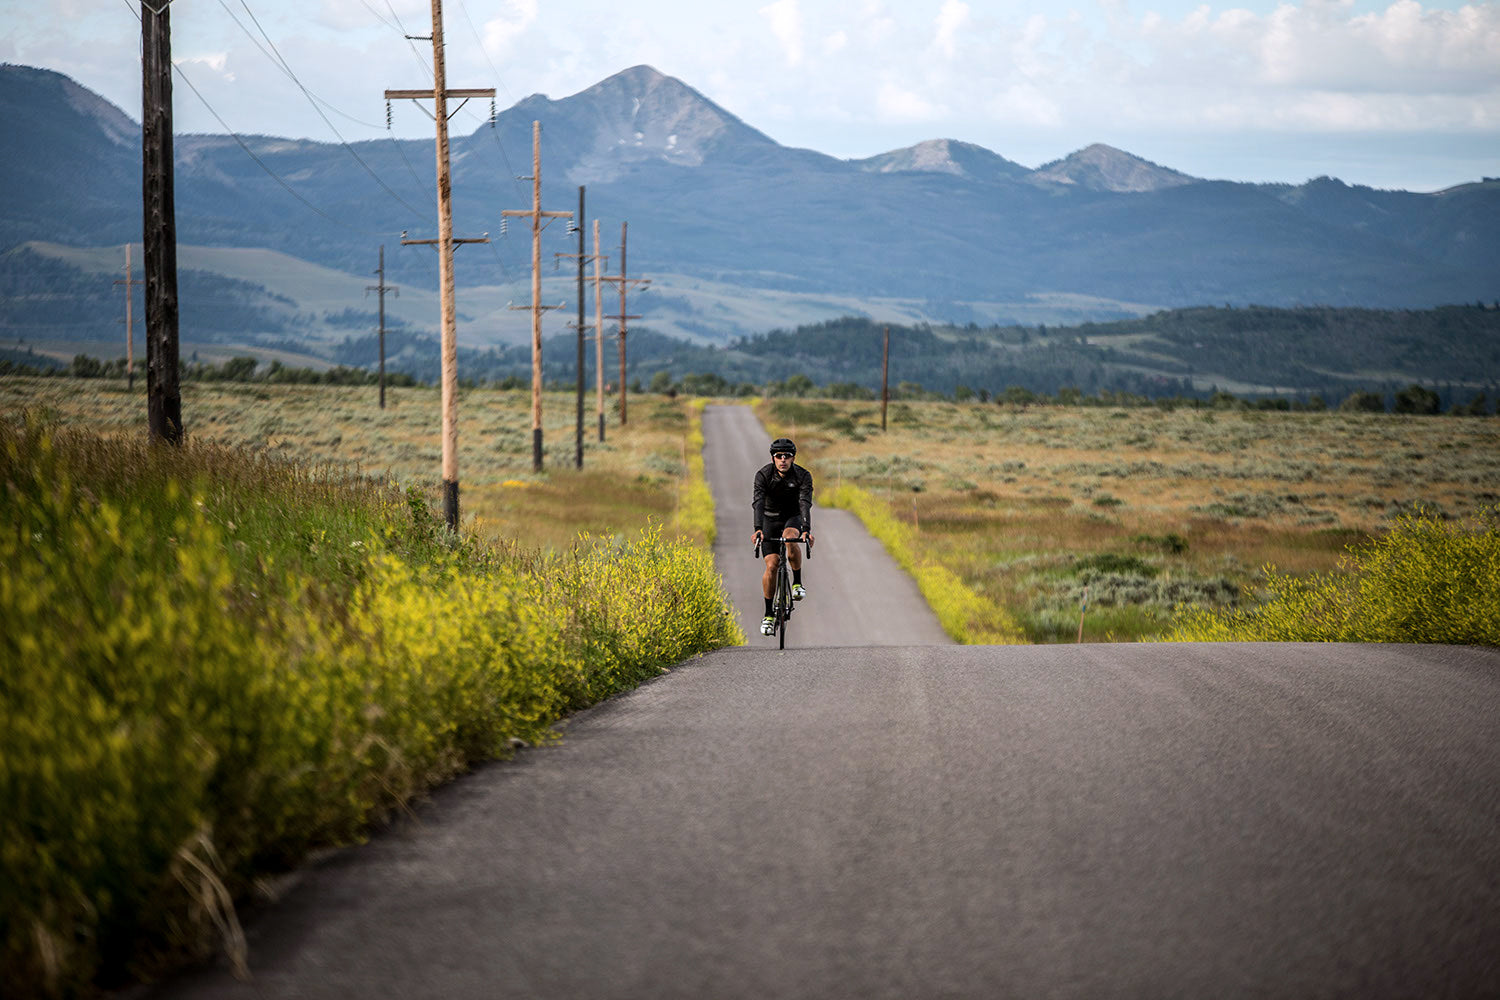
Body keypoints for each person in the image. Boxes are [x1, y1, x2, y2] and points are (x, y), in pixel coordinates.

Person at [751, 437, 814, 636]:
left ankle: (797, 583)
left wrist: (806, 529)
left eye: (787, 456)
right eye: (779, 456)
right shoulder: (763, 475)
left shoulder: (803, 476)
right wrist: (758, 529)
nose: (783, 459)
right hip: (769, 520)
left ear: (793, 458)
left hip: (792, 517)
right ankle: (768, 615)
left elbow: (805, 502)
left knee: (789, 538)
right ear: (773, 458)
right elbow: (758, 502)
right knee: (772, 565)